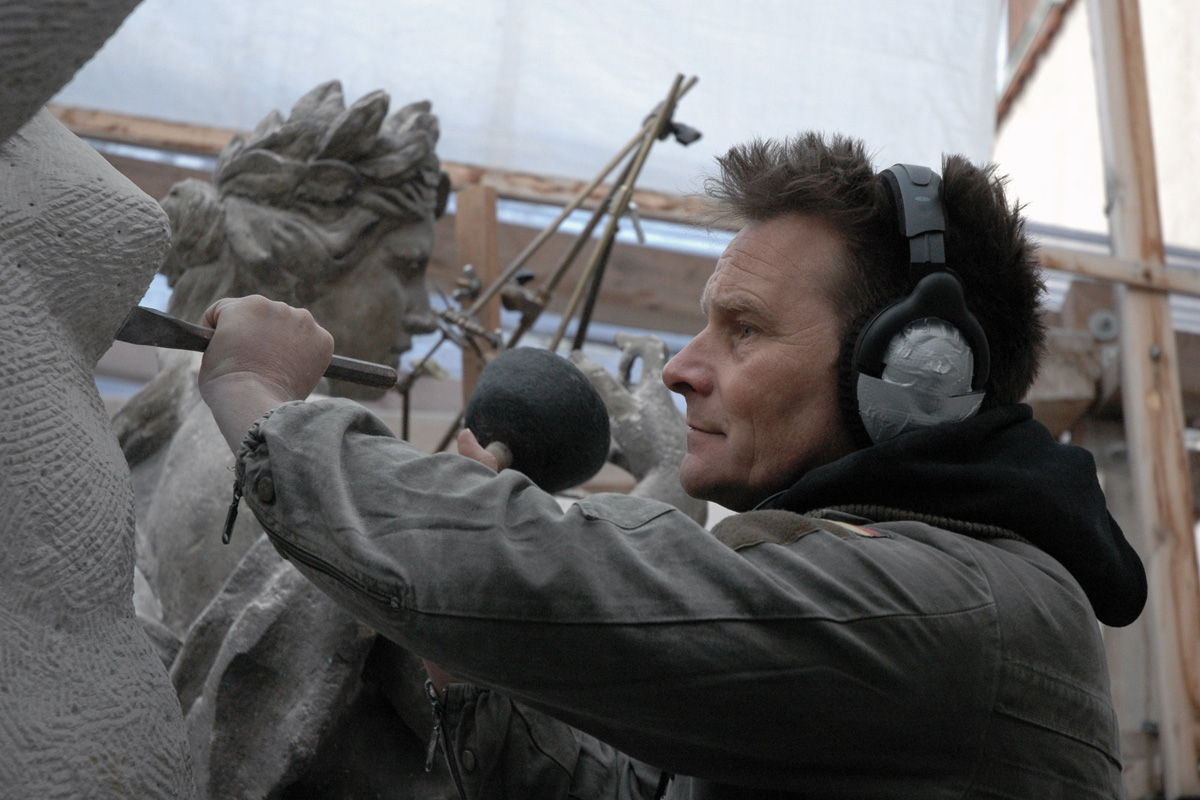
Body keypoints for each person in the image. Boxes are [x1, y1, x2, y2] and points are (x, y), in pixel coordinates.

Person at [196, 132, 1147, 799]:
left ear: (916, 371)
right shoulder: (909, 589)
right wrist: (460, 661)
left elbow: (558, 578)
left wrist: (265, 401)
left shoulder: (955, 605)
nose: (682, 369)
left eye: (744, 330)